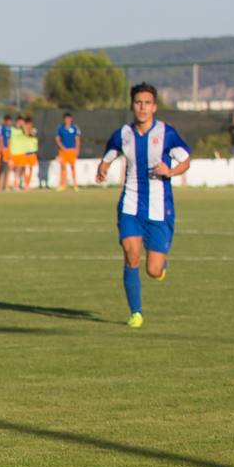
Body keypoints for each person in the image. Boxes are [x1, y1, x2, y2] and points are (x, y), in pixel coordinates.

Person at [95, 83, 191, 329]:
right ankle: (135, 312)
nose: (142, 107)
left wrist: (170, 170)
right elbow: (110, 153)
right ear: (132, 105)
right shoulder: (123, 134)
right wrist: (103, 168)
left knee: (153, 270)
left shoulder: (166, 134)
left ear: (155, 107)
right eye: (138, 102)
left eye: (147, 103)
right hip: (130, 206)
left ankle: (161, 266)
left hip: (159, 209)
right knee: (131, 255)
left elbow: (186, 160)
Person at [55, 112, 81, 190]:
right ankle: (62, 185)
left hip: (72, 150)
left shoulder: (74, 128)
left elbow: (77, 139)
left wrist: (77, 149)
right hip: (63, 151)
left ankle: (75, 184)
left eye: (69, 119)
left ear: (71, 119)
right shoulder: (60, 128)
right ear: (64, 119)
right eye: (66, 119)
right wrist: (62, 147)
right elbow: (57, 139)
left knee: (72, 166)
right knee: (63, 167)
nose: (68, 120)